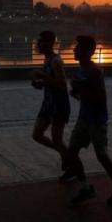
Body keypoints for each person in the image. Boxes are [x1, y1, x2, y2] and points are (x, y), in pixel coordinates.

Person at [66, 36, 112, 206]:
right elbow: (81, 94)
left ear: (89, 52)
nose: (74, 50)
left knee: (101, 155)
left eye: (79, 48)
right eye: (76, 47)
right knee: (72, 151)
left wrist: (81, 90)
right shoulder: (79, 70)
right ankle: (86, 187)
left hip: (97, 120)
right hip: (83, 118)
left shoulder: (94, 71)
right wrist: (75, 92)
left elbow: (100, 97)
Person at [31, 30, 74, 182]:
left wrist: (43, 76)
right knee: (37, 135)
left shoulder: (56, 61)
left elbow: (63, 84)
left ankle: (71, 165)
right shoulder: (47, 59)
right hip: (48, 104)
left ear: (49, 43)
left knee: (57, 139)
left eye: (40, 41)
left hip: (59, 104)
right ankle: (67, 156)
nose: (37, 44)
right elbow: (52, 82)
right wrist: (40, 84)